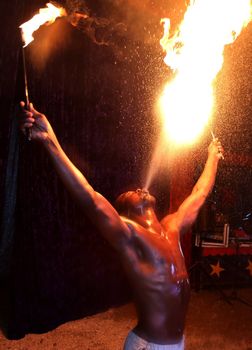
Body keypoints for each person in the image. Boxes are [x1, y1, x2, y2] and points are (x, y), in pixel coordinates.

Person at [20, 101, 224, 350]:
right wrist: (49, 140)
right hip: (148, 346)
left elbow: (200, 194)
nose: (139, 188)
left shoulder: (171, 226)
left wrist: (212, 157)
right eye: (132, 193)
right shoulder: (129, 234)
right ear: (125, 211)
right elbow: (90, 198)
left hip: (176, 344)